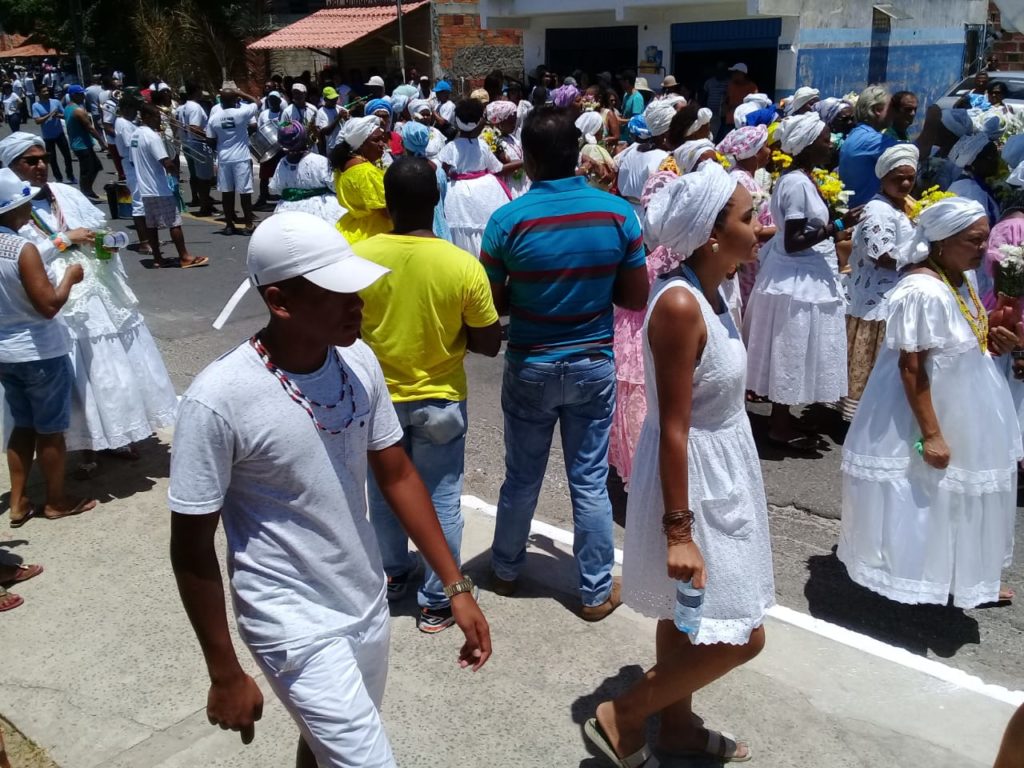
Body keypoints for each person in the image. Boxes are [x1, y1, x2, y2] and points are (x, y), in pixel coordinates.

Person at [170, 211, 491, 767]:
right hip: (290, 620)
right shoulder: (218, 399)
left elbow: (396, 473)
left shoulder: (359, 361)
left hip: (362, 598)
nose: (358, 305)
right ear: (281, 301)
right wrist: (223, 669)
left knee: (324, 751)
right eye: (338, 293)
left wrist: (454, 583)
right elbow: (191, 545)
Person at [586, 160, 773, 768]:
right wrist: (679, 531)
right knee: (743, 636)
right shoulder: (679, 306)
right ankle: (626, 712)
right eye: (748, 217)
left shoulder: (721, 289)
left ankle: (680, 725)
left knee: (683, 615)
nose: (760, 225)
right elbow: (672, 425)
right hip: (690, 477)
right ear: (713, 235)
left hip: (724, 467)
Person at [481, 106, 649, 619]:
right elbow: (635, 297)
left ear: (527, 160)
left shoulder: (506, 220)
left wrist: (530, 293)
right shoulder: (619, 215)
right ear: (578, 153)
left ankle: (506, 570)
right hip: (592, 363)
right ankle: (596, 592)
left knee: (522, 476)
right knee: (589, 478)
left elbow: (493, 303)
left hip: (532, 364)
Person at [839, 197, 1021, 609]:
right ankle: (916, 576)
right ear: (941, 242)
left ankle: (968, 574)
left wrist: (991, 334)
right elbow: (912, 367)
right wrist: (932, 433)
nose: (983, 249)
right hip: (924, 410)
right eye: (973, 240)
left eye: (985, 240)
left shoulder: (960, 280)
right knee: (923, 491)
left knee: (960, 493)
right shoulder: (923, 290)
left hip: (965, 400)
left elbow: (958, 337)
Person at [353, 156, 501, 633]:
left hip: (378, 403)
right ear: (436, 200)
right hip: (441, 400)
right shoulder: (462, 264)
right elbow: (488, 342)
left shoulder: (358, 257)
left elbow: (345, 329)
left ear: (388, 205)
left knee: (383, 492)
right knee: (441, 498)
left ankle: (395, 574)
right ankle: (439, 598)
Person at [2, 131, 180, 467]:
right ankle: (83, 446)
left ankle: (116, 436)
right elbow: (17, 257)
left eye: (44, 159)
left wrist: (108, 242)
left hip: (96, 290)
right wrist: (65, 240)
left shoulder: (66, 193)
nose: (41, 166)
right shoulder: (9, 207)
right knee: (75, 373)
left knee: (108, 367)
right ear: (12, 167)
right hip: (54, 296)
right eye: (31, 161)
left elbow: (98, 230)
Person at [744, 113, 863, 449]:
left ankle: (781, 417)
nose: (832, 145)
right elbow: (794, 239)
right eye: (826, 140)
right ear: (808, 146)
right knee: (790, 349)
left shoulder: (802, 178)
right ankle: (779, 424)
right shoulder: (796, 183)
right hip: (795, 279)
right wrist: (836, 225)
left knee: (794, 349)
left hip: (800, 275)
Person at [0, 167, 97, 527]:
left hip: (5, 352)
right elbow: (48, 305)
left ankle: (18, 500)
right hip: (39, 350)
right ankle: (56, 500)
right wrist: (70, 278)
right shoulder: (20, 249)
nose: (29, 210)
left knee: (21, 426)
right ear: (13, 209)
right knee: (50, 430)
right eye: (24, 204)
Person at [841, 145, 918, 422]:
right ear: (884, 177)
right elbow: (881, 255)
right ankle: (859, 418)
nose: (906, 183)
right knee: (870, 361)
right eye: (899, 178)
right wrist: (922, 257)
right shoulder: (878, 210)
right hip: (877, 297)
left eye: (910, 177)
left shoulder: (903, 206)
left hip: (892, 295)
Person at [130, 104, 209, 268]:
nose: (160, 120)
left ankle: (157, 258)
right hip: (159, 188)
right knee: (174, 222)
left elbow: (133, 160)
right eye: (156, 117)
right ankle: (185, 257)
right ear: (146, 117)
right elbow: (165, 161)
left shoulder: (135, 135)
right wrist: (175, 173)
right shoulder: (152, 137)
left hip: (145, 188)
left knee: (151, 224)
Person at [437, 99, 512, 255]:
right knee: (487, 225)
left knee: (463, 228)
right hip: (487, 192)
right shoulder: (482, 145)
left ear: (457, 122)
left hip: (459, 194)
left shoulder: (451, 147)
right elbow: (497, 168)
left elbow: (442, 172)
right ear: (478, 122)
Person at [717, 125, 777, 307]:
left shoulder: (744, 178)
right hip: (749, 263)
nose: (769, 151)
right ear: (753, 153)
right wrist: (781, 229)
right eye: (765, 146)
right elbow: (748, 228)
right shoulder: (743, 183)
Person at [206, 83, 260, 235]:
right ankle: (248, 224)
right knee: (245, 192)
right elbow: (257, 102)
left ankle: (229, 225)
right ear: (235, 100)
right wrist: (241, 92)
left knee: (227, 193)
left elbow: (210, 141)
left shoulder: (214, 118)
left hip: (224, 158)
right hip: (241, 158)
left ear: (220, 101)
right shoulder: (241, 112)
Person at [270, 120, 346, 225]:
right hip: (320, 210)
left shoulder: (282, 163)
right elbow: (334, 186)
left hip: (288, 210)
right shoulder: (320, 161)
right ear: (304, 138)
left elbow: (277, 189)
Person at [331, 116, 392, 244]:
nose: (382, 145)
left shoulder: (343, 166)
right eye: (376, 140)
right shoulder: (366, 172)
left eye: (382, 139)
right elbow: (385, 210)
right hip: (372, 233)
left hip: (350, 228)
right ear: (361, 144)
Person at [838, 85, 899, 207]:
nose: (894, 113)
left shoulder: (857, 134)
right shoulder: (871, 140)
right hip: (865, 212)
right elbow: (911, 152)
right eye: (891, 109)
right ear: (877, 110)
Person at [400, 121, 450, 241]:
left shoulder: (401, 173)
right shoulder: (439, 171)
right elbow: (442, 199)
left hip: (413, 231)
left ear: (405, 143)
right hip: (440, 230)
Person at [178, 82, 216, 217]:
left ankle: (205, 203)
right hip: (199, 143)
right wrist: (210, 136)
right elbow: (194, 127)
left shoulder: (183, 107)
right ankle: (205, 206)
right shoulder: (195, 107)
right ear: (197, 91)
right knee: (205, 178)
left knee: (200, 176)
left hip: (190, 143)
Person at [948, 135, 1000, 225]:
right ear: (974, 161)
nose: (996, 162)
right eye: (991, 158)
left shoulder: (967, 183)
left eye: (997, 157)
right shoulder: (972, 191)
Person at [64, 84, 104, 200]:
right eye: (80, 94)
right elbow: (90, 128)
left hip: (83, 144)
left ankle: (88, 189)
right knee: (86, 171)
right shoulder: (78, 111)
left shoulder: (68, 108)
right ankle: (84, 193)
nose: (83, 96)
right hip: (82, 145)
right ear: (73, 95)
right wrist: (102, 142)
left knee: (96, 166)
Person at [486, 99, 529, 198]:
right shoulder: (493, 142)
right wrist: (524, 163)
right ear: (500, 122)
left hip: (521, 184)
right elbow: (497, 168)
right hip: (508, 186)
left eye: (515, 121)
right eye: (511, 122)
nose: (514, 124)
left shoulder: (512, 138)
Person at [31, 86, 75, 184]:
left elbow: (64, 114)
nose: (46, 93)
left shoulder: (55, 102)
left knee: (67, 156)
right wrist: (49, 115)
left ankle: (70, 175)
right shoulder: (36, 105)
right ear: (39, 94)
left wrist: (58, 115)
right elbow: (37, 121)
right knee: (52, 159)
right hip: (48, 137)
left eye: (47, 91)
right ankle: (58, 178)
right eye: (44, 91)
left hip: (59, 134)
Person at [576, 111, 616, 190]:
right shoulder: (595, 149)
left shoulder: (581, 147)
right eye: (601, 127)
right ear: (595, 129)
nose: (603, 131)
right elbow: (604, 177)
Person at [723, 63, 758, 137]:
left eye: (735, 73)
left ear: (741, 74)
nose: (732, 75)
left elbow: (754, 105)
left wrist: (736, 105)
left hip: (743, 123)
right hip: (729, 122)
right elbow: (726, 100)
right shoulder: (731, 85)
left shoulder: (752, 87)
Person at [316, 86, 346, 156]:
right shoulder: (321, 112)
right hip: (332, 149)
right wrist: (338, 118)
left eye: (335, 98)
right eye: (331, 99)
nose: (334, 100)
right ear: (325, 99)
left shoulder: (340, 108)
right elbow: (326, 132)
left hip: (344, 145)